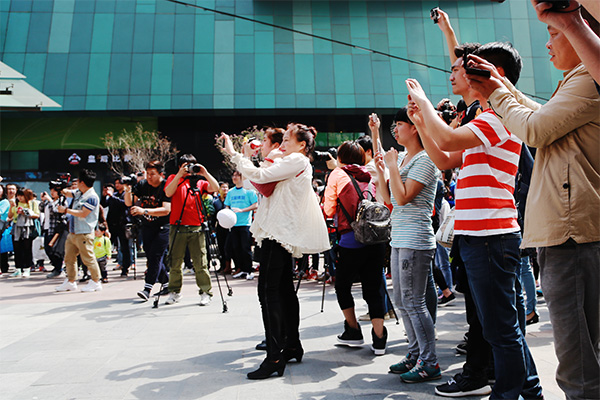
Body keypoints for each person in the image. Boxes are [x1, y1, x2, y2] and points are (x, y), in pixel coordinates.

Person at [467, 12, 600, 398]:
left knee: (577, 366)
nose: (547, 43)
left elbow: (534, 129)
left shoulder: (587, 79)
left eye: (553, 32)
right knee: (583, 355)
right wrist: (503, 86)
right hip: (567, 231)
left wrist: (497, 92)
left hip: (570, 234)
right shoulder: (578, 79)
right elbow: (540, 117)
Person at [405, 41, 544, 399]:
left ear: (491, 74)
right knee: (502, 326)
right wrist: (422, 123)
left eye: (467, 69)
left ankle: (510, 393)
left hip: (490, 235)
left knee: (500, 329)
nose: (459, 75)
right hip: (480, 235)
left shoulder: (498, 117)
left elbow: (448, 139)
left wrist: (423, 103)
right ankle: (529, 391)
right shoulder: (485, 118)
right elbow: (445, 158)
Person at [220, 123, 330, 380]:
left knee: (268, 293)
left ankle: (274, 357)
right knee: (283, 291)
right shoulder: (292, 161)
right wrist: (249, 159)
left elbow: (259, 177)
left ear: (302, 144)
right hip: (280, 231)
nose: (283, 143)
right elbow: (257, 182)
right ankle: (291, 346)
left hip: (278, 232)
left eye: (288, 139)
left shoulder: (296, 160)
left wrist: (236, 155)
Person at [376, 107, 441, 382]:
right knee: (402, 302)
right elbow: (388, 199)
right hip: (400, 238)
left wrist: (391, 167)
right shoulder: (402, 159)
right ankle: (415, 354)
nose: (395, 130)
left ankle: (429, 361)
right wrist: (383, 169)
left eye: (399, 124)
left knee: (414, 302)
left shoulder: (426, 159)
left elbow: (403, 198)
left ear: (415, 127)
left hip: (415, 239)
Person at [323, 141, 388, 356]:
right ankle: (379, 339)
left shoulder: (338, 174)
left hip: (351, 240)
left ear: (340, 158)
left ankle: (353, 331)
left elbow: (328, 209)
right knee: (373, 288)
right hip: (376, 239)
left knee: (343, 286)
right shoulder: (371, 174)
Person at [163, 154, 219, 306]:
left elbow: (215, 188)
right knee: (175, 261)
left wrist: (205, 173)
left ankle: (205, 292)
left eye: (191, 166)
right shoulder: (173, 178)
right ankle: (174, 292)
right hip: (177, 225)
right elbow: (168, 192)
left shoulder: (199, 182)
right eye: (185, 166)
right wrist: (179, 175)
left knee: (201, 261)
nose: (189, 170)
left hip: (197, 225)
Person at [125, 161, 171, 301]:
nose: (149, 177)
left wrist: (144, 210)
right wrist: (128, 189)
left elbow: (166, 210)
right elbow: (129, 203)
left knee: (156, 255)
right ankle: (167, 283)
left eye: (152, 174)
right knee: (151, 256)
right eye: (148, 174)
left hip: (164, 226)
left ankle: (147, 288)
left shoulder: (166, 186)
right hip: (147, 226)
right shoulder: (142, 185)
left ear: (161, 175)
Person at [55, 169, 103, 292]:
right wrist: (61, 186)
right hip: (73, 232)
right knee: (69, 258)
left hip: (84, 232)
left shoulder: (91, 197)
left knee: (88, 258)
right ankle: (71, 281)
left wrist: (66, 210)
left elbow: (83, 213)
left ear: (82, 182)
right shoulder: (80, 193)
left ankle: (96, 281)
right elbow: (68, 193)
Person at [224, 171, 258, 280]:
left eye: (237, 175)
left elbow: (255, 205)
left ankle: (249, 270)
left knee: (245, 248)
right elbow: (227, 205)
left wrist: (242, 210)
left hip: (245, 224)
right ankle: (241, 269)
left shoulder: (249, 191)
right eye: (233, 175)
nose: (234, 177)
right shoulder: (230, 192)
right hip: (233, 224)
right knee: (236, 248)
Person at [101, 178, 131, 277]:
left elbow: (124, 204)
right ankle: (102, 267)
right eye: (116, 183)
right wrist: (104, 195)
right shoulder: (113, 195)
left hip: (122, 223)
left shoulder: (125, 194)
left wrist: (111, 196)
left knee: (124, 247)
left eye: (119, 183)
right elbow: (104, 204)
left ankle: (125, 267)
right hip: (112, 223)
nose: (117, 185)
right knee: (107, 243)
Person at [8, 188, 40, 278]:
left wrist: (26, 212)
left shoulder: (32, 203)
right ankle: (18, 269)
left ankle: (27, 268)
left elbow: (37, 215)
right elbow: (10, 215)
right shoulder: (16, 203)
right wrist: (12, 206)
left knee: (27, 248)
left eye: (21, 195)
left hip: (27, 227)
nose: (20, 198)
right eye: (18, 195)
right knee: (17, 248)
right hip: (16, 227)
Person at [39, 187, 68, 278]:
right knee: (47, 249)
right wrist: (43, 200)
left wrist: (50, 200)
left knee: (55, 250)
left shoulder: (61, 201)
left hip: (56, 229)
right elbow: (41, 209)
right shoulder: (49, 202)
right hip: (47, 228)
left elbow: (56, 211)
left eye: (54, 191)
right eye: (51, 191)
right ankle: (56, 267)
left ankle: (58, 269)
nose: (52, 193)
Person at [212, 181, 231, 274]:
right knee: (221, 247)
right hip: (220, 227)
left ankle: (229, 266)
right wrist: (213, 228)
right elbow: (213, 216)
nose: (225, 189)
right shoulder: (215, 202)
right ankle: (222, 266)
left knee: (229, 247)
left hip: (230, 227)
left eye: (226, 187)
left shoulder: (230, 200)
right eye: (223, 187)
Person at [0, 184, 10, 274]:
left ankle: (3, 267)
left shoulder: (5, 202)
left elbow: (0, 212)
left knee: (2, 247)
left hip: (1, 227)